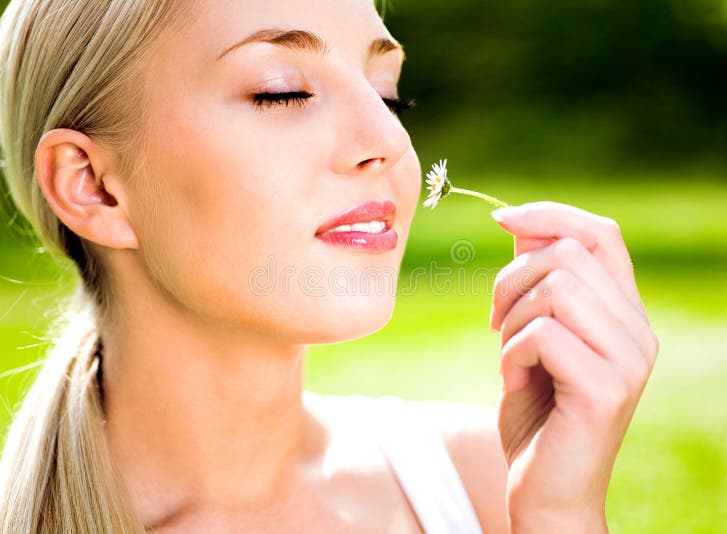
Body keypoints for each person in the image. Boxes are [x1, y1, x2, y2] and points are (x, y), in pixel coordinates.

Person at [0, 0, 660, 532]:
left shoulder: (484, 486)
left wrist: (559, 518)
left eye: (387, 92)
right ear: (93, 184)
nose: (388, 141)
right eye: (280, 92)